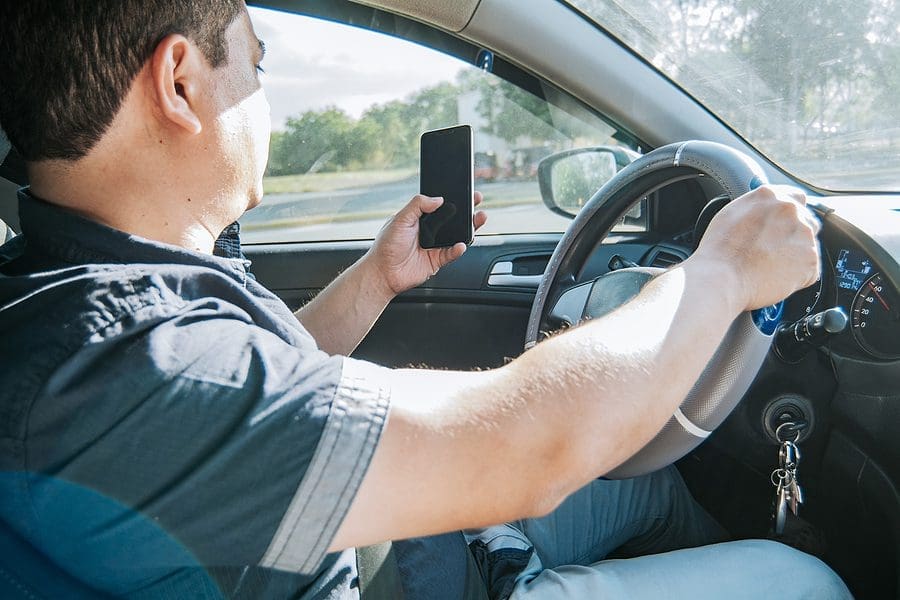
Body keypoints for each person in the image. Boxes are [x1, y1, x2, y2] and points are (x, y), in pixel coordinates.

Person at [0, 1, 851, 599]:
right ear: (180, 82)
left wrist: (378, 278)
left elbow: (255, 379)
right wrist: (719, 273)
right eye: (255, 64)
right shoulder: (125, 372)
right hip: (402, 580)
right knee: (805, 585)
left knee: (652, 490)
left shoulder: (91, 297)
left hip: (402, 529)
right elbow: (535, 451)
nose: (269, 101)